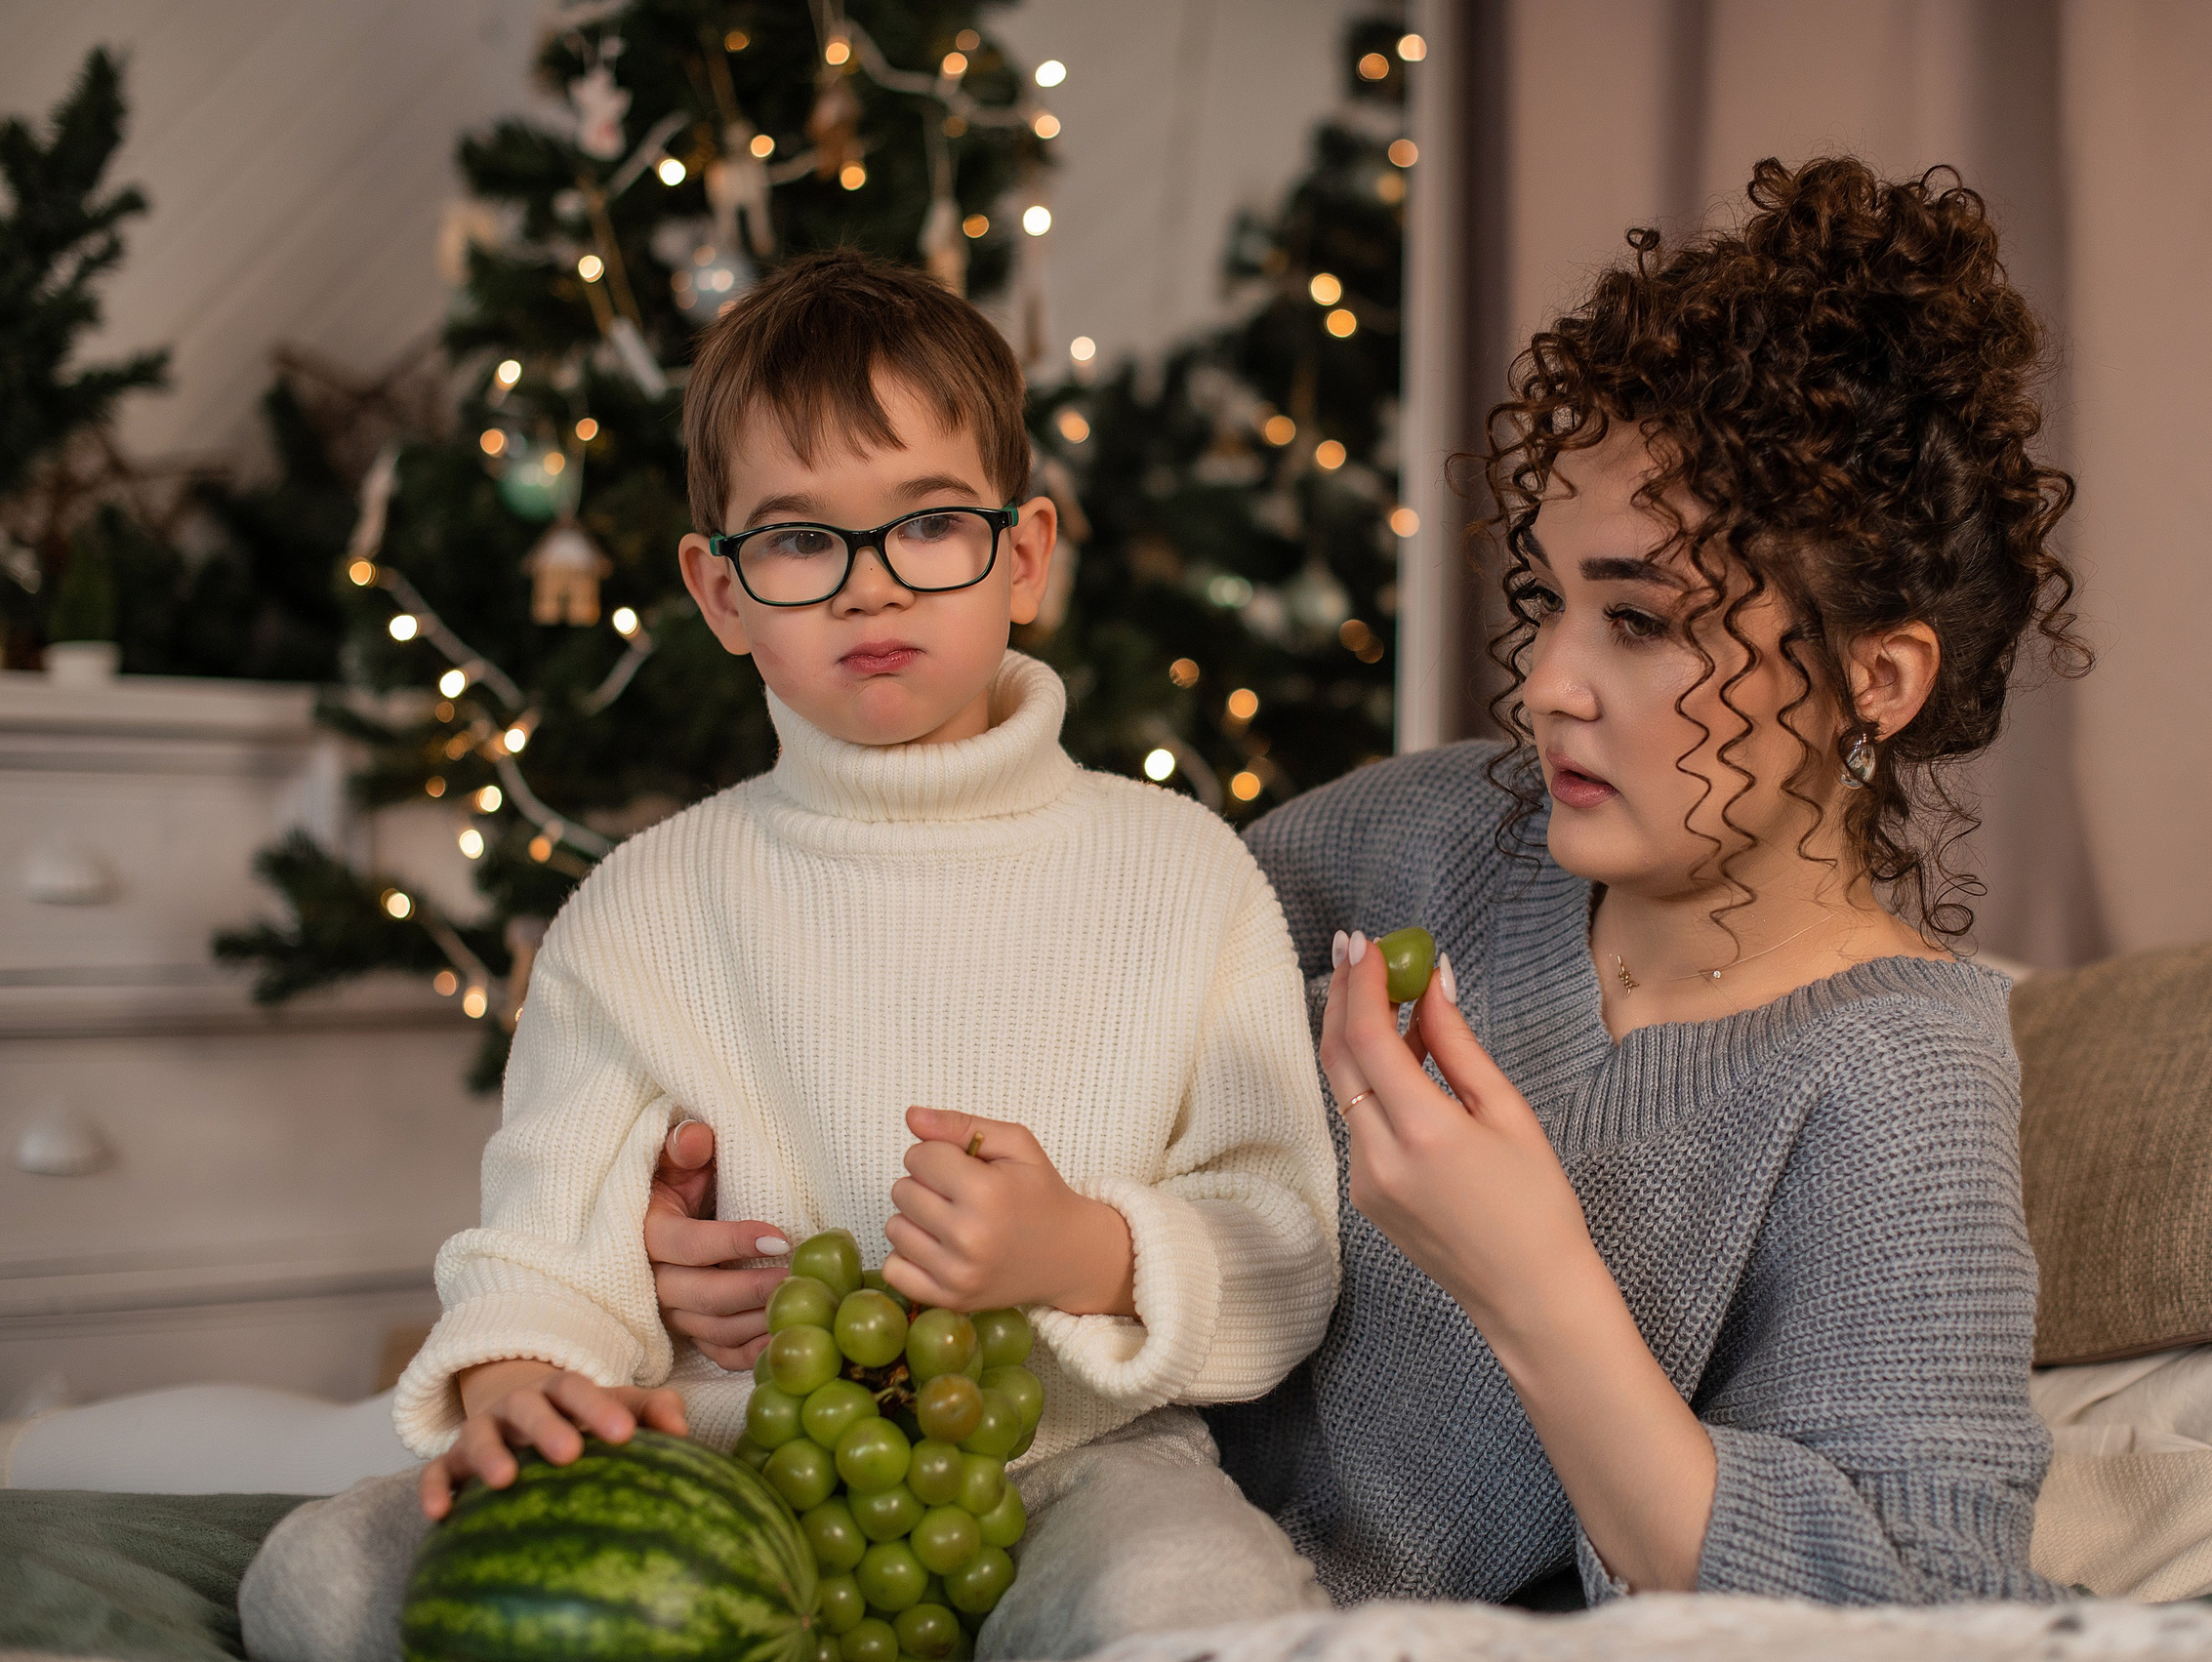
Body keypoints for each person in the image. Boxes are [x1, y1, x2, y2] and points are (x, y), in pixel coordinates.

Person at [644, 158, 2083, 1609]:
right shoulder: (1421, 841)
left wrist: (1534, 1283)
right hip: (1023, 1539)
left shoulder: (1900, 1082)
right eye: (1558, 601)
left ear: (1877, 681)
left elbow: (1933, 1611)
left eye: (1642, 622)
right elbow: (1031, 1034)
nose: (1547, 686)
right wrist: (717, 1214)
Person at [238, 251, 1339, 1662]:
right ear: (719, 592)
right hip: (720, 1477)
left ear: (1024, 556)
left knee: (1200, 1603)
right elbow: (541, 1243)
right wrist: (523, 1376)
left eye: (929, 523)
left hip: (1077, 1479)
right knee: (317, 1577)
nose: (869, 589)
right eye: (800, 541)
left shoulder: (1188, 877)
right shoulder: (640, 911)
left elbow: (1288, 1242)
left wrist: (1089, 1249)